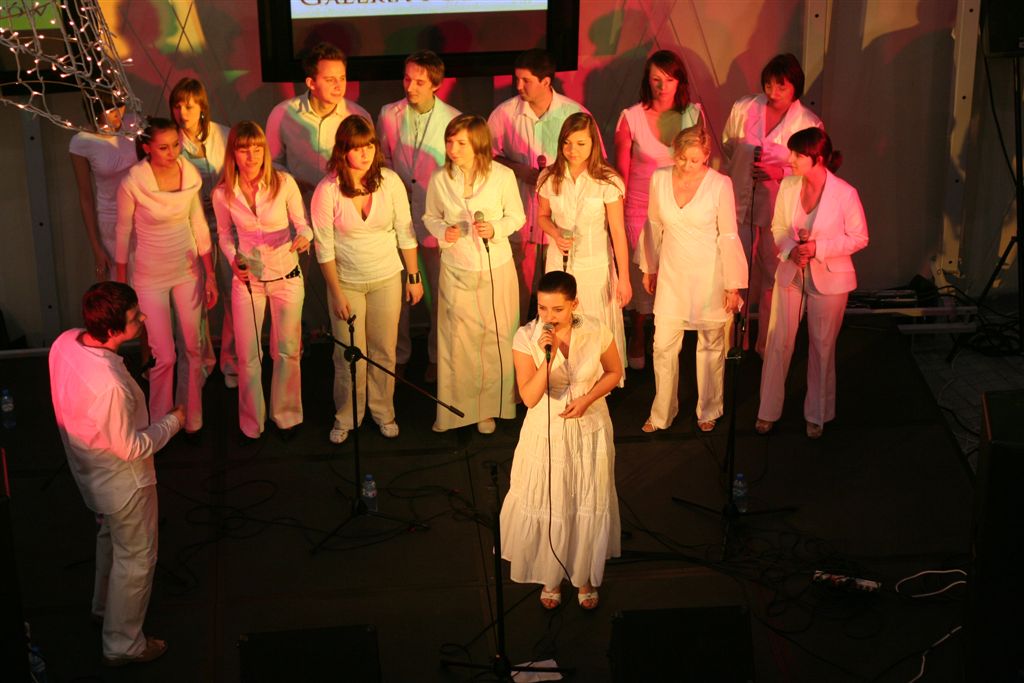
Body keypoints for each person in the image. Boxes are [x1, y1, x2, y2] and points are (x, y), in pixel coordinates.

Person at [49, 281, 184, 666]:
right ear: (111, 331)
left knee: (110, 537)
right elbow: (131, 447)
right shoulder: (109, 385)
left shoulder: (64, 344)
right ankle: (123, 644)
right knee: (137, 558)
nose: (142, 319)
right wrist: (172, 422)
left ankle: (103, 606)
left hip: (89, 474)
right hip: (124, 484)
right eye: (134, 317)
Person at [499, 271, 622, 610]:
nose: (549, 317)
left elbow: (614, 372)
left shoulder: (596, 330)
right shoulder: (526, 338)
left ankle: (582, 575)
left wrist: (587, 399)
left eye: (557, 310)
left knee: (584, 496)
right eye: (542, 309)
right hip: (546, 428)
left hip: (590, 426)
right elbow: (529, 397)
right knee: (552, 499)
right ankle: (550, 575)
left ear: (574, 305)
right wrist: (547, 360)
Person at [311, 115, 422, 445]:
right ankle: (347, 415)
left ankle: (382, 411)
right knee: (348, 354)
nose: (364, 154)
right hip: (346, 281)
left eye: (369, 146)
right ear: (343, 151)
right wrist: (335, 292)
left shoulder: (389, 182)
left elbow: (406, 231)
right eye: (356, 148)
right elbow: (324, 246)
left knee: (384, 350)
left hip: (387, 276)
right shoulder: (327, 190)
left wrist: (413, 276)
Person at [755, 128, 868, 439]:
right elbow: (778, 227)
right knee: (779, 341)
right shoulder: (789, 186)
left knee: (821, 346)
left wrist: (818, 249)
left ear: (818, 159)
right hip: (792, 273)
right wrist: (792, 250)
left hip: (829, 279)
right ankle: (767, 411)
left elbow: (860, 237)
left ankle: (817, 414)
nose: (790, 160)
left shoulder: (845, 193)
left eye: (797, 155)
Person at [638, 126, 747, 433]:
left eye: (695, 160)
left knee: (711, 345)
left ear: (706, 157)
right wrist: (650, 267)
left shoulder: (719, 185)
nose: (687, 165)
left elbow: (728, 233)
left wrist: (732, 284)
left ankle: (709, 409)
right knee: (662, 346)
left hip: (709, 275)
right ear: (675, 153)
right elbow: (653, 225)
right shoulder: (660, 178)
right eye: (683, 158)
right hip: (672, 274)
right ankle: (662, 412)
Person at [115, 117, 218, 435]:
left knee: (193, 347)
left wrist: (210, 274)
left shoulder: (190, 173)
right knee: (165, 355)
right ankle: (161, 424)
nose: (172, 152)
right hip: (150, 276)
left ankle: (191, 419)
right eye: (163, 147)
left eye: (176, 145)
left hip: (187, 270)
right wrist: (120, 284)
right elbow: (122, 231)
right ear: (146, 148)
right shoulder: (134, 181)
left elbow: (199, 225)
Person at [423, 114, 524, 434]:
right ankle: (456, 411)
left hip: (495, 268)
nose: (453, 148)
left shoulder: (502, 176)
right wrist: (443, 231)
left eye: (461, 142)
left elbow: (517, 217)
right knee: (457, 342)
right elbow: (429, 217)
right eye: (450, 142)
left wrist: (495, 228)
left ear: (478, 144)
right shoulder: (440, 179)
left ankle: (489, 408)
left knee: (494, 339)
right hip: (457, 268)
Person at [213, 121, 312, 441]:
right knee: (248, 355)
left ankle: (286, 415)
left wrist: (303, 238)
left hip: (286, 277)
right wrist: (233, 259)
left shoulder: (283, 183)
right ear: (234, 154)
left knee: (286, 351)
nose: (252, 155)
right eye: (244, 149)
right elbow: (225, 235)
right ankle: (251, 422)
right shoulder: (223, 192)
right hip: (248, 282)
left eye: (257, 148)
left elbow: (304, 225)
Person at [721, 54, 823, 356]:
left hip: (779, 213)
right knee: (734, 275)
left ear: (795, 88)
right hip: (739, 204)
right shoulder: (744, 107)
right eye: (769, 85)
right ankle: (734, 342)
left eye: (781, 86)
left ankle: (766, 342)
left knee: (771, 279)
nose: (773, 92)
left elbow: (814, 169)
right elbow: (729, 146)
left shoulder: (807, 122)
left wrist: (779, 172)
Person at [488, 48, 599, 322]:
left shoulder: (573, 113)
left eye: (526, 80)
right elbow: (488, 157)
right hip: (520, 216)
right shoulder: (504, 114)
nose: (518, 86)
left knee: (557, 293)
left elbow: (595, 160)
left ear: (546, 81)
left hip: (560, 221)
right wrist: (520, 169)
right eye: (517, 79)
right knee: (517, 293)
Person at [614, 49, 704, 371]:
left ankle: (668, 338)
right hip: (640, 208)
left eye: (668, 80)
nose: (661, 86)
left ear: (678, 81)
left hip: (682, 208)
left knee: (676, 278)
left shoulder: (692, 115)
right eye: (655, 80)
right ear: (647, 81)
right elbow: (620, 175)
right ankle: (638, 333)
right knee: (643, 278)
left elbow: (702, 164)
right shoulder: (631, 116)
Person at [377, 50, 460, 383]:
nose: (410, 86)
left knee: (440, 294)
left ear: (436, 85)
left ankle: (438, 359)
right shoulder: (387, 114)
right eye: (407, 78)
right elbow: (383, 158)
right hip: (397, 218)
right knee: (397, 295)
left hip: (436, 218)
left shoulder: (454, 118)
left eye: (420, 81)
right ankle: (398, 357)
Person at [537, 112, 631, 381]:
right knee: (560, 320)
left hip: (595, 266)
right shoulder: (549, 177)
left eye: (580, 144)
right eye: (567, 143)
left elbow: (617, 232)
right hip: (560, 263)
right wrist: (555, 232)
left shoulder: (608, 181)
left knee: (592, 324)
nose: (572, 150)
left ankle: (597, 380)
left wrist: (624, 278)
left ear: (593, 145)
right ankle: (559, 376)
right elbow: (542, 217)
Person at [169, 77, 238, 388]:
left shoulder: (222, 134)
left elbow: (237, 176)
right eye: (177, 105)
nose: (183, 112)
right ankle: (201, 361)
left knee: (231, 295)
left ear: (201, 107)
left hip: (223, 225)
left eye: (189, 105)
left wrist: (220, 196)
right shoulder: (170, 142)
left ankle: (232, 360)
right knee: (195, 300)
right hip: (187, 228)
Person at [266, 42, 371, 198]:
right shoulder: (282, 114)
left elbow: (371, 165)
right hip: (298, 208)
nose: (339, 86)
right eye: (330, 80)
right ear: (311, 83)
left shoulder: (358, 116)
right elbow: (270, 162)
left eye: (342, 78)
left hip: (343, 208)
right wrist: (291, 182)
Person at [70, 94, 141, 281]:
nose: (118, 113)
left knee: (151, 285)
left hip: (143, 215)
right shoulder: (82, 142)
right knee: (123, 286)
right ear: (95, 110)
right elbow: (85, 196)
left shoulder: (134, 124)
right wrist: (96, 248)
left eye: (121, 106)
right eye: (110, 110)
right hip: (112, 221)